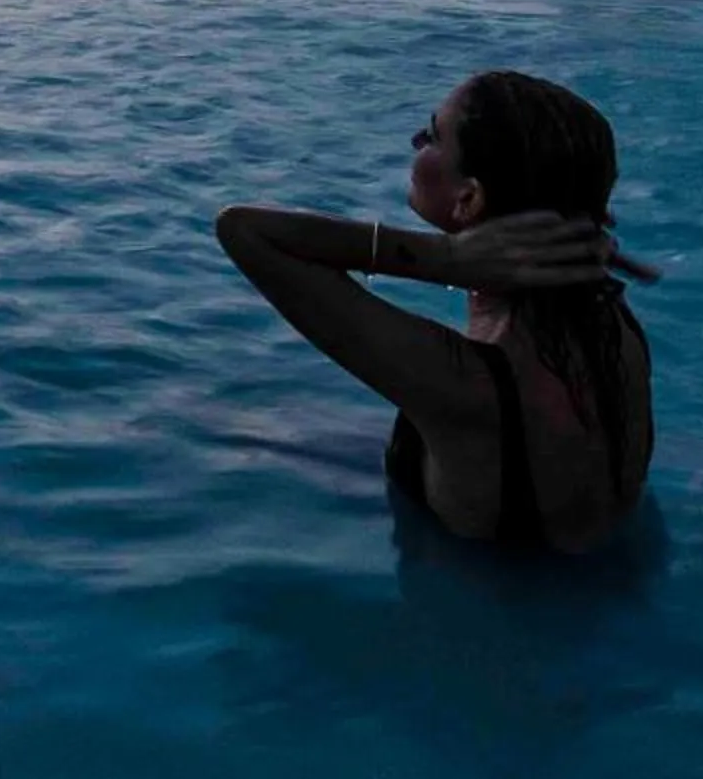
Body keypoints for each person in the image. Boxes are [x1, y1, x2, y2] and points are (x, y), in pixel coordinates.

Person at [214, 70, 658, 553]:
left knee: (227, 430)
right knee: (268, 428)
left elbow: (243, 231)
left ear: (468, 198)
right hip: (602, 574)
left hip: (482, 613)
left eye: (432, 136)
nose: (415, 143)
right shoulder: (614, 322)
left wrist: (443, 259)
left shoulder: (469, 381)